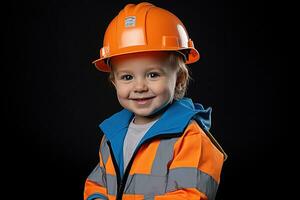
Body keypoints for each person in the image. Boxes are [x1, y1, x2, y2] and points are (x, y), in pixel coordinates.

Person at [84, 2, 227, 200]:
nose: (140, 86)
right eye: (127, 77)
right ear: (114, 82)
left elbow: (190, 195)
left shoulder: (190, 137)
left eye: (153, 74)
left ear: (179, 79)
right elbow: (98, 184)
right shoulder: (112, 135)